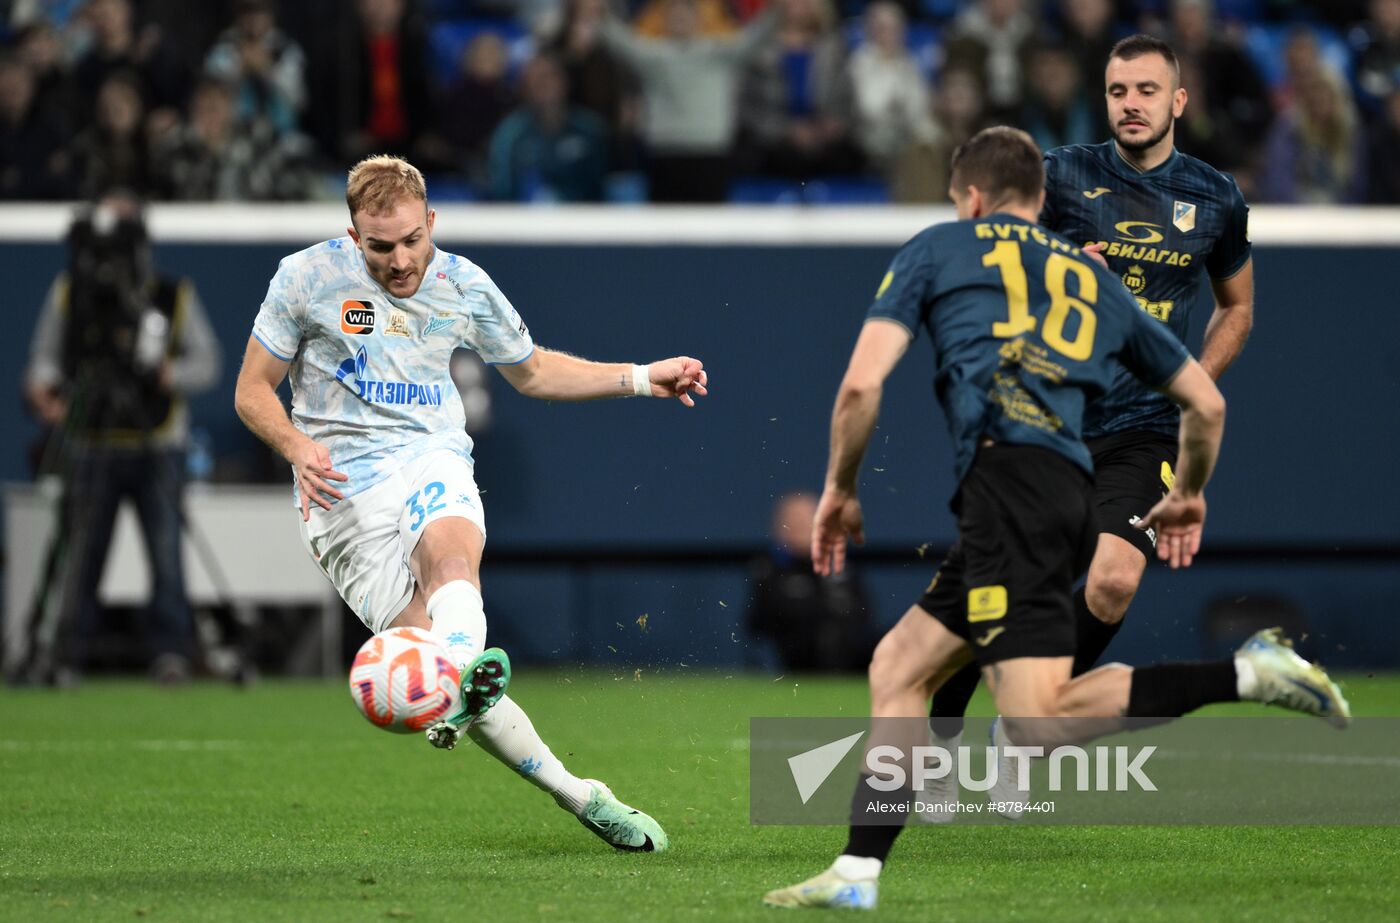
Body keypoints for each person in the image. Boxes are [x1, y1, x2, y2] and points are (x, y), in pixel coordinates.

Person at [761, 126, 1349, 911]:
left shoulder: (939, 248)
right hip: (1059, 489)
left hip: (1013, 492)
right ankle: (858, 871)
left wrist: (840, 487)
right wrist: (1190, 492)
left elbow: (861, 388)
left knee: (1035, 721)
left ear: (971, 197)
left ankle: (1246, 673)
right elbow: (1204, 401)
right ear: (1041, 202)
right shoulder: (1090, 275)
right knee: (897, 665)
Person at [233, 155, 707, 851]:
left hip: (430, 452)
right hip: (341, 491)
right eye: (380, 246)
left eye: (410, 241)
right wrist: (296, 446)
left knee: (452, 562)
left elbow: (536, 371)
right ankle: (580, 793)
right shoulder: (304, 278)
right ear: (353, 234)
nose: (399, 260)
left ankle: (451, 681)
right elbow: (251, 389)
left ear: (431, 223)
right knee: (442, 655)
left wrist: (640, 377)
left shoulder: (463, 285)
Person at [924, 36, 1258, 812]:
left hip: (1144, 431)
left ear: (1179, 101)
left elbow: (1238, 308)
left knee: (1111, 581)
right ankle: (941, 732)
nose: (1131, 104)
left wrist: (1191, 384)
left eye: (1147, 90)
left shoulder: (1216, 198)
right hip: (1050, 418)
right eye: (1117, 91)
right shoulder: (1058, 175)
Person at [24, 190, 222, 684]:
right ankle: (66, 653)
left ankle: (171, 651)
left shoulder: (173, 295)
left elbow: (209, 362)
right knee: (81, 556)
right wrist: (46, 391)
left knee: (167, 557)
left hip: (158, 444)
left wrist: (167, 375)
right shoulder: (71, 292)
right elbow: (44, 358)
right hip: (92, 442)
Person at [746, 491, 872, 673]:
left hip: (849, 654)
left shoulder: (841, 564)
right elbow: (761, 619)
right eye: (794, 521)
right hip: (796, 656)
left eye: (808, 519)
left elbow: (863, 611)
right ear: (779, 527)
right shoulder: (768, 567)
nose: (802, 527)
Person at [486, 54, 609, 202]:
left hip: (584, 218)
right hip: (524, 220)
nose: (545, 83)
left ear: (565, 82)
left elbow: (603, 185)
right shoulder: (510, 134)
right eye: (536, 79)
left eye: (550, 76)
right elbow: (502, 190)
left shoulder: (589, 128)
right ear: (524, 87)